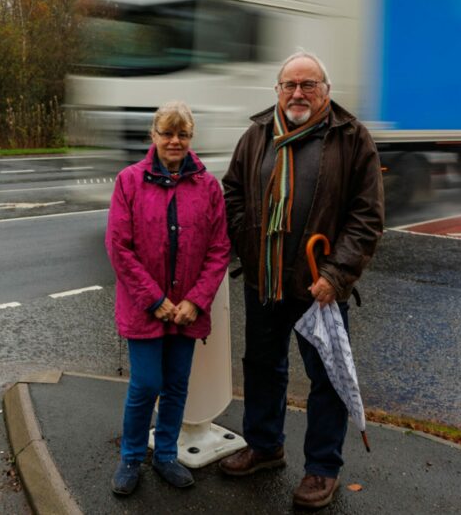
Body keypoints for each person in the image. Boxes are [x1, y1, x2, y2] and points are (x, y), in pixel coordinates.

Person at [220, 50, 384, 509]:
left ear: (325, 91)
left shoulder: (352, 138)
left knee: (327, 379)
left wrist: (337, 274)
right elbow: (232, 190)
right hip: (264, 281)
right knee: (262, 366)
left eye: (308, 85)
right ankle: (264, 445)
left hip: (319, 287)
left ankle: (321, 469)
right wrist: (248, 243)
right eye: (289, 85)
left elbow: (366, 217)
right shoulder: (257, 135)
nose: (297, 93)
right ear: (277, 90)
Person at [105, 100, 231, 495]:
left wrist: (195, 300)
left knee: (177, 384)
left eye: (182, 134)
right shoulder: (129, 181)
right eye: (167, 133)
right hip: (147, 308)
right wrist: (155, 300)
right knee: (146, 384)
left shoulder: (208, 186)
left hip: (186, 309)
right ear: (153, 136)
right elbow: (119, 247)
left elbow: (218, 249)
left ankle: (164, 456)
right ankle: (130, 457)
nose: (174, 141)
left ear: (191, 138)